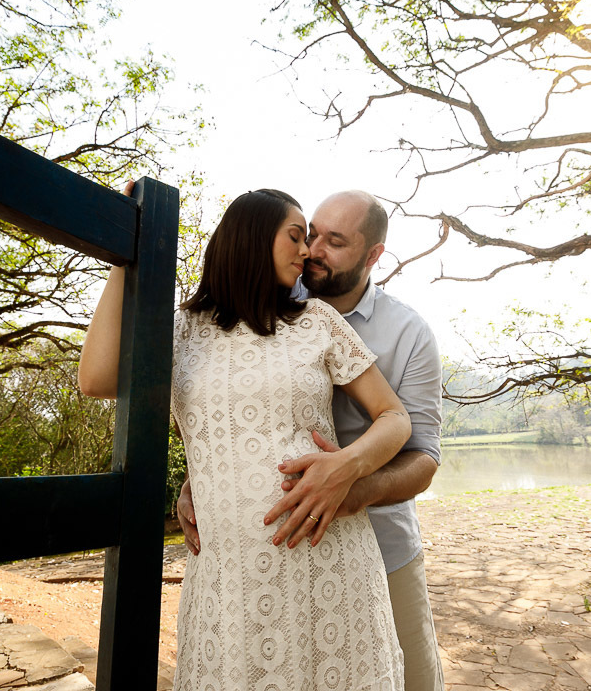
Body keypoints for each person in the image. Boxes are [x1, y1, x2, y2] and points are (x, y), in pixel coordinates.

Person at [79, 187, 409, 690]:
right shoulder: (183, 331)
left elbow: (394, 418)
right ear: (252, 237)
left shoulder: (318, 321)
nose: (307, 251)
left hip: (332, 564)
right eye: (296, 236)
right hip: (230, 580)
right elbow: (96, 379)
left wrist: (348, 465)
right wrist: (128, 253)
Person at [178, 190, 445, 691]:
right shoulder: (272, 307)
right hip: (268, 560)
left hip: (379, 540)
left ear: (372, 256)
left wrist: (346, 485)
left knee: (412, 680)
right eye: (310, 234)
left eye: (333, 241)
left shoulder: (409, 332)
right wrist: (203, 478)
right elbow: (228, 417)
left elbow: (424, 457)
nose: (313, 250)